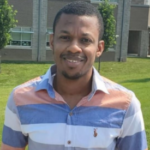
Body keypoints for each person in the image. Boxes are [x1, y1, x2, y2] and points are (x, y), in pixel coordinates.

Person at [1, 1, 148, 150]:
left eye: (85, 40)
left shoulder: (125, 105)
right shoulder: (20, 99)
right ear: (52, 42)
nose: (73, 48)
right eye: (65, 37)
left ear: (99, 48)